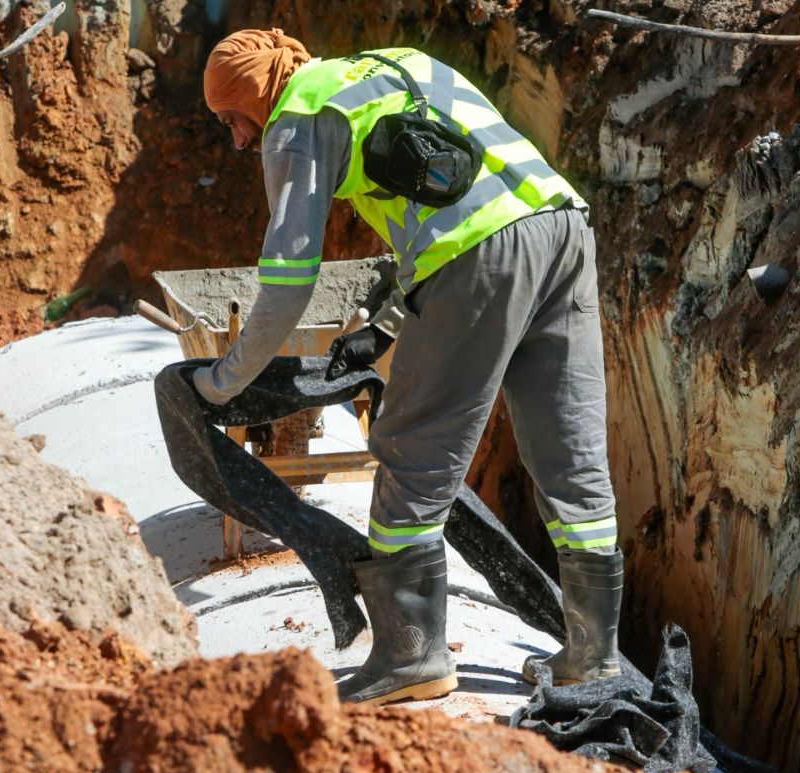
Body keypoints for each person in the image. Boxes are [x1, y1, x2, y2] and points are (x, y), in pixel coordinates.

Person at [198, 28, 621, 705]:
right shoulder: (397, 66)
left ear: (253, 94)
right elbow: (453, 194)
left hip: (479, 256)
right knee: (571, 456)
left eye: (231, 119)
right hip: (563, 231)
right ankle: (593, 659)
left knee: (412, 450)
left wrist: (224, 381)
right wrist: (384, 327)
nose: (238, 140)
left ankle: (410, 656)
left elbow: (287, 282)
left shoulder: (297, 114)